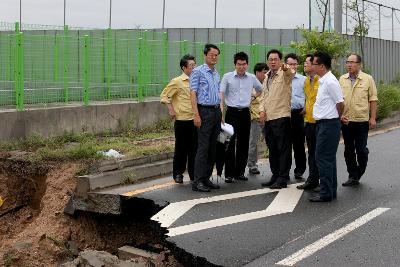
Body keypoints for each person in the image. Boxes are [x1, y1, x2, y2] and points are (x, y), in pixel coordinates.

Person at [220, 52, 263, 183]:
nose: (241, 67)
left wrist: (253, 97)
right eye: (239, 64)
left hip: (245, 113)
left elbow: (260, 89)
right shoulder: (227, 77)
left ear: (247, 64)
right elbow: (221, 93)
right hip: (231, 113)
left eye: (244, 64)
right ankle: (229, 174)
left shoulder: (251, 77)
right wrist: (221, 109)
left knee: (243, 144)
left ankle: (240, 172)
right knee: (228, 143)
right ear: (235, 64)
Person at [309, 52, 344, 202]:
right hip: (324, 124)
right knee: (327, 159)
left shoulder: (330, 82)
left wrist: (336, 117)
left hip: (329, 124)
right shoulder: (323, 80)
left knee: (322, 158)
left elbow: (340, 103)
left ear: (322, 66)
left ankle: (326, 192)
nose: (312, 66)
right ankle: (330, 191)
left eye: (314, 64)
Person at [339, 53, 378, 187]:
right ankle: (352, 176)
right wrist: (339, 116)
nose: (349, 65)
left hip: (362, 121)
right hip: (346, 120)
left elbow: (373, 99)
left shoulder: (367, 79)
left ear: (359, 64)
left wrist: (372, 118)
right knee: (348, 150)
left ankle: (359, 171)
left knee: (361, 150)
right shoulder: (342, 79)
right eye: (347, 62)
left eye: (352, 62)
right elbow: (338, 100)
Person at [259, 49, 295, 189]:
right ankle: (275, 175)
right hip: (269, 119)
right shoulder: (267, 76)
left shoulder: (285, 75)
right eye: (270, 59)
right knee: (272, 149)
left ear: (280, 61)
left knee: (283, 149)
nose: (273, 61)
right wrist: (261, 111)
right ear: (268, 61)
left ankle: (283, 178)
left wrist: (285, 67)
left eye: (275, 59)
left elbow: (290, 73)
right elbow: (263, 97)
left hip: (281, 117)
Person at [160, 55, 198, 183]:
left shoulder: (197, 80)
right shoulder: (177, 81)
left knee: (194, 148)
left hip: (195, 119)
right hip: (182, 120)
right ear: (184, 67)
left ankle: (194, 174)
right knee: (181, 148)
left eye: (195, 65)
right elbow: (164, 95)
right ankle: (178, 173)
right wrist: (171, 109)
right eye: (191, 65)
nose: (194, 67)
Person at [190, 44, 222, 192]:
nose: (214, 57)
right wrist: (196, 115)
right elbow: (193, 94)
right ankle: (197, 181)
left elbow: (218, 94)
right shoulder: (197, 71)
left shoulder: (216, 73)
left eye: (216, 55)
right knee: (203, 147)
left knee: (213, 148)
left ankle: (206, 178)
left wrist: (221, 112)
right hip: (204, 112)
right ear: (205, 55)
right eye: (211, 54)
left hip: (216, 112)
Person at [297, 54, 320, 190]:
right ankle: (312, 180)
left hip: (320, 122)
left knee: (320, 154)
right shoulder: (306, 81)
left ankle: (322, 181)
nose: (305, 64)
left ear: (315, 65)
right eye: (304, 62)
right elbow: (308, 99)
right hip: (309, 121)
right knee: (311, 152)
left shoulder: (321, 80)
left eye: (307, 62)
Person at [285, 53, 307, 180]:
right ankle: (285, 170)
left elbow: (309, 96)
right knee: (285, 144)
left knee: (299, 144)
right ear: (286, 64)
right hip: (284, 114)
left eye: (294, 64)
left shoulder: (303, 79)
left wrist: (305, 107)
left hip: (298, 114)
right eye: (290, 64)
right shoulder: (282, 78)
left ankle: (299, 170)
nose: (292, 66)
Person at [247, 63, 268, 175]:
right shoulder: (251, 84)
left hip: (268, 117)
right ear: (257, 72)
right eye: (264, 72)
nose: (265, 75)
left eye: (266, 73)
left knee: (270, 140)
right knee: (253, 142)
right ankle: (252, 164)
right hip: (255, 118)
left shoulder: (268, 83)